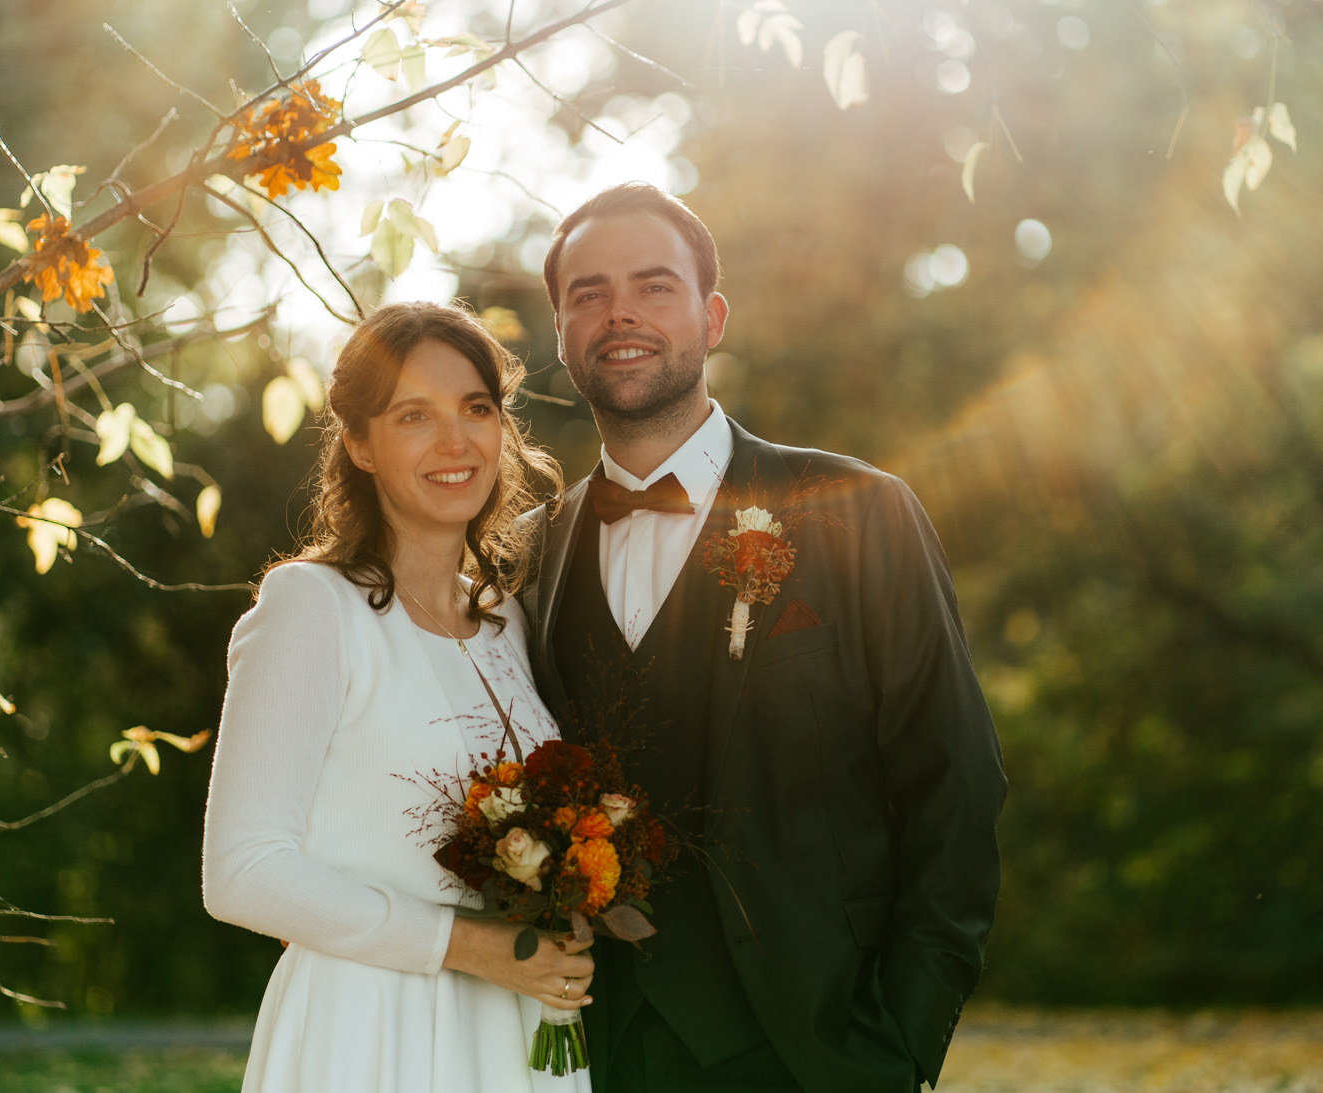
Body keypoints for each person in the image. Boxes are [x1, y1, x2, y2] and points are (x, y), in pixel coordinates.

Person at [521, 183, 1008, 1093]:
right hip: (586, 1054)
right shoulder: (526, 555)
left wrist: (899, 1042)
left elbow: (957, 784)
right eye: (587, 292)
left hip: (818, 1049)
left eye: (654, 285)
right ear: (559, 332)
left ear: (711, 318)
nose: (619, 311)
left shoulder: (860, 512)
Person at [203, 302, 595, 1093]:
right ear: (358, 443)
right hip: (369, 1028)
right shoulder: (311, 606)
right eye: (415, 415)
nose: (456, 441)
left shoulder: (504, 621)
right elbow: (241, 871)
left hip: (511, 1030)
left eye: (476, 408)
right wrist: (471, 946)